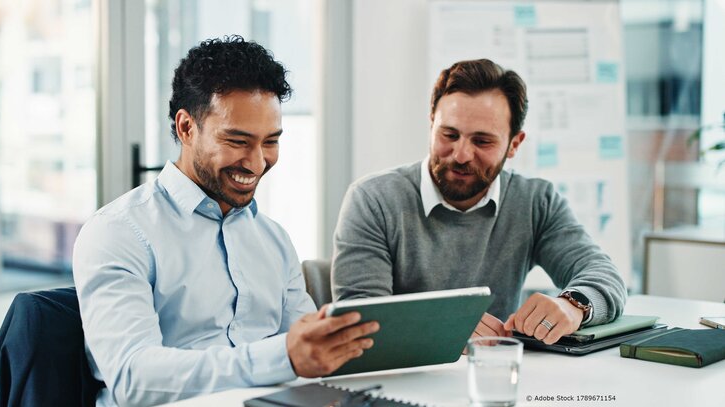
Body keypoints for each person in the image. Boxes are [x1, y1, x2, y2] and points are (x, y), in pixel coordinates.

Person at [73, 36, 378, 406]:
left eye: (270, 142)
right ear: (186, 128)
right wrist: (282, 357)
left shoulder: (273, 239)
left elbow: (310, 352)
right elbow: (133, 378)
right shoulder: (118, 232)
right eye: (237, 141)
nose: (257, 162)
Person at [332, 58, 626, 347]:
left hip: (496, 375)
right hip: (402, 380)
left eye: (482, 141)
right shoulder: (373, 199)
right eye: (449, 135)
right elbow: (358, 319)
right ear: (432, 123)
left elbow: (604, 275)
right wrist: (445, 323)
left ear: (514, 144)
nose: (460, 155)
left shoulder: (535, 201)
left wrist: (573, 306)